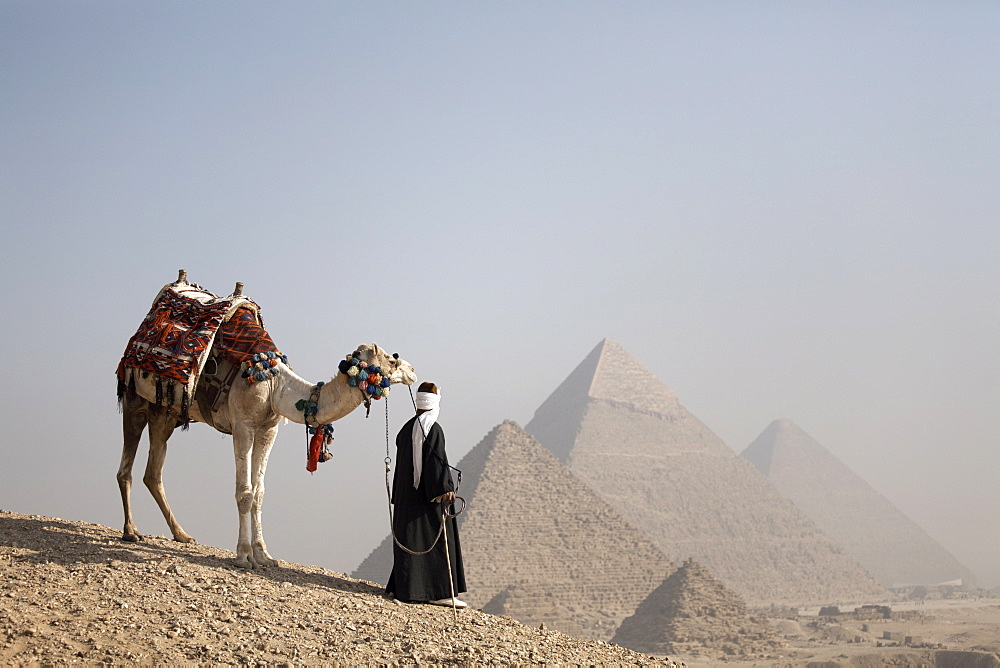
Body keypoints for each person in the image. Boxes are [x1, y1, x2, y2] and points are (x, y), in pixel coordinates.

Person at [385, 381, 468, 607]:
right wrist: (445, 489)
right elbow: (436, 460)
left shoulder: (406, 428)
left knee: (410, 540)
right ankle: (437, 592)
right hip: (426, 498)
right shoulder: (433, 428)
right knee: (438, 539)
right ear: (435, 402)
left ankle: (403, 588)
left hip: (406, 497)